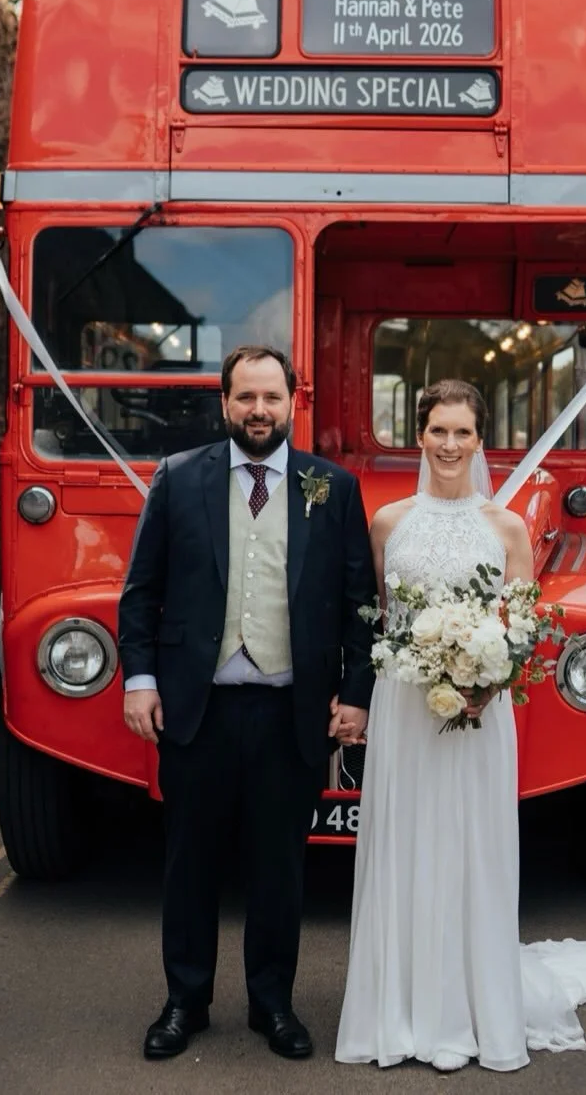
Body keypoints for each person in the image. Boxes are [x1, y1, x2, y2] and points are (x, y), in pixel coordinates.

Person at [335, 378, 586, 1073]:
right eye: (438, 431)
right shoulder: (387, 523)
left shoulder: (506, 527)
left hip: (479, 714)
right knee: (404, 844)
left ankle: (467, 1008)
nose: (449, 445)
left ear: (481, 441)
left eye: (463, 433)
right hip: (405, 707)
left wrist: (488, 680)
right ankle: (398, 1010)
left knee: (468, 847)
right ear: (419, 435)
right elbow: (378, 621)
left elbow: (520, 627)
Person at [119, 345, 376, 1062]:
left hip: (291, 712)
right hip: (198, 711)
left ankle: (273, 1004)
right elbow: (141, 592)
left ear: (293, 403)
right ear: (225, 403)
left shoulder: (332, 487)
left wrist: (357, 694)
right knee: (189, 865)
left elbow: (359, 602)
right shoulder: (178, 478)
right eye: (246, 398)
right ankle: (185, 1001)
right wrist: (140, 680)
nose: (258, 410)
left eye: (271, 397)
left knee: (279, 869)